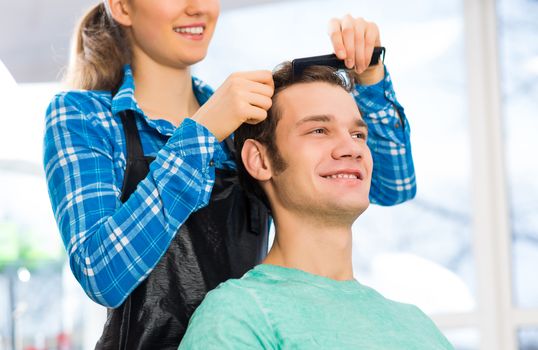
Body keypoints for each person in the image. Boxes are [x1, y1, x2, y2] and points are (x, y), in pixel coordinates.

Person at [42, 0, 415, 347]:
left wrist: (370, 80)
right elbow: (100, 272)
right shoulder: (83, 116)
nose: (197, 8)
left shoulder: (244, 118)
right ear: (122, 6)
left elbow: (392, 185)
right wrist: (202, 134)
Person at [178, 63, 451, 350]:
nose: (352, 148)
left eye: (358, 135)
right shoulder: (237, 316)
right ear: (260, 160)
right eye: (320, 130)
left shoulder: (417, 326)